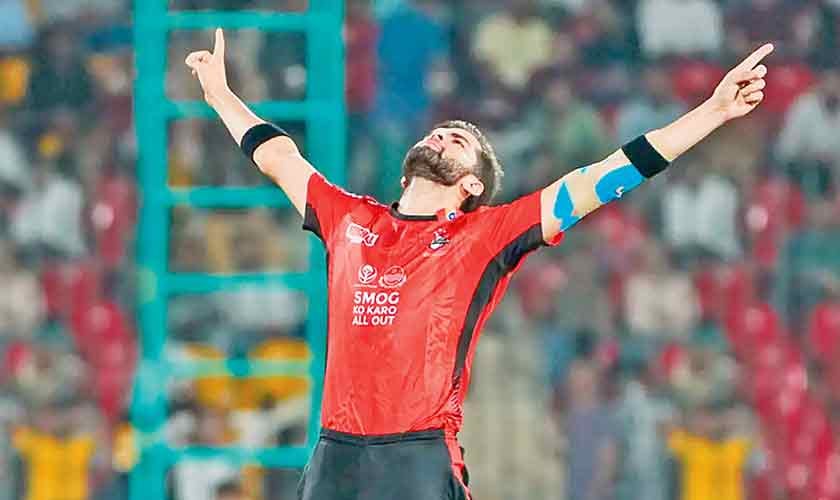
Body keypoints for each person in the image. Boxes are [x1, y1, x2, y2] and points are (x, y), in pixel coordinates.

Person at [186, 28, 773, 500]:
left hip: (416, 456)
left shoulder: (484, 234)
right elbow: (279, 158)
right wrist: (219, 95)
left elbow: (602, 177)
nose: (442, 136)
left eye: (457, 141)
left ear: (470, 186)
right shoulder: (350, 219)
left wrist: (712, 112)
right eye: (440, 132)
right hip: (334, 454)